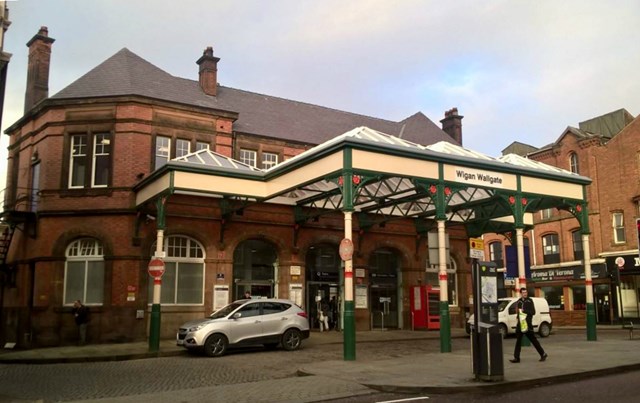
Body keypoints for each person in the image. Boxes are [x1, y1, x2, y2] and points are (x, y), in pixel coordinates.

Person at [510, 288, 548, 363]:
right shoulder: (519, 301)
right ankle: (516, 358)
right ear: (521, 293)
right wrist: (518, 317)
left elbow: (533, 312)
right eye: (523, 292)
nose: (525, 294)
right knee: (518, 340)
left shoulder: (530, 301)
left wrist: (525, 311)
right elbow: (517, 312)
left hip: (528, 323)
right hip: (520, 323)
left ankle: (543, 354)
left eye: (526, 292)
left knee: (533, 339)